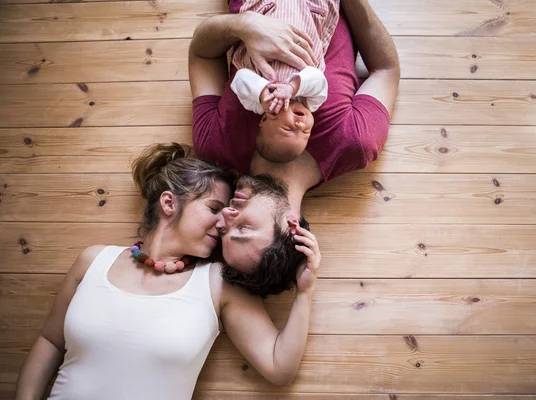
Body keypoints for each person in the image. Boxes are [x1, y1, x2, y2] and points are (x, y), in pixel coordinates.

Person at [15, 143, 321, 400]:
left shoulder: (217, 284)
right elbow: (50, 341)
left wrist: (305, 292)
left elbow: (279, 366)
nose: (223, 221)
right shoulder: (92, 261)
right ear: (168, 203)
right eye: (214, 208)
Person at [189, 0, 399, 294]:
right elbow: (386, 69)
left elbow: (200, 51)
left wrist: (244, 25)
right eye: (242, 229)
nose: (224, 217)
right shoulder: (354, 143)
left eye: (224, 230)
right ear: (291, 228)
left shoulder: (215, 146)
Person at [229, 0, 339, 163]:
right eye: (305, 133)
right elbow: (318, 80)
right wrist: (293, 88)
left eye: (289, 129)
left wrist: (262, 94)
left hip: (267, 11)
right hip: (309, 12)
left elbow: (240, 80)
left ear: (265, 120)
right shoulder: (310, 102)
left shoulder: (258, 104)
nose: (301, 125)